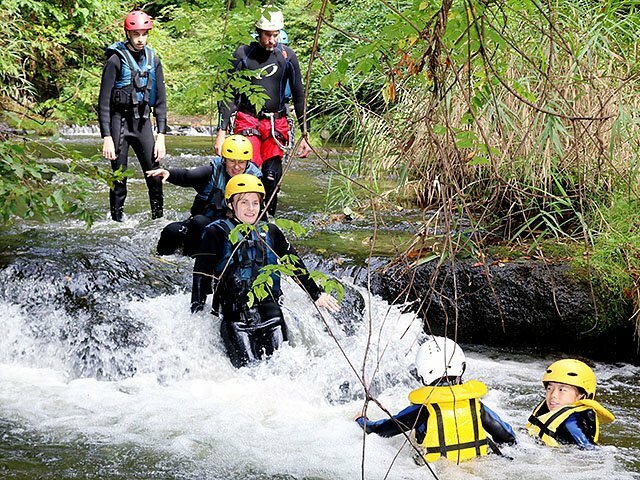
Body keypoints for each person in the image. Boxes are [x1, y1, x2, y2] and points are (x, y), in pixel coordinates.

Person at [191, 174, 339, 367]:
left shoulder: (270, 232)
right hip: (236, 319)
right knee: (248, 373)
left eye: (255, 202)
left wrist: (316, 294)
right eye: (243, 202)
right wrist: (196, 309)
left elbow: (294, 264)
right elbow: (201, 274)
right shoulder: (216, 232)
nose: (251, 209)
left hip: (272, 315)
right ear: (230, 204)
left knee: (282, 370)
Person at [355, 336, 516, 464]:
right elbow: (507, 437)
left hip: (440, 469)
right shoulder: (475, 404)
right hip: (482, 465)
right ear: (461, 368)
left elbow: (381, 430)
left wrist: (362, 421)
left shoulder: (422, 409)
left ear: (423, 372)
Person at [215, 6, 311, 216]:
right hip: (247, 120)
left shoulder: (287, 56)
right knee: (248, 175)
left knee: (271, 177)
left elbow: (299, 94)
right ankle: (238, 219)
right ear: (258, 32)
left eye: (276, 35)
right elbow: (229, 95)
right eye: (268, 35)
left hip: (276, 124)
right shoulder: (243, 55)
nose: (272, 40)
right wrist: (221, 133)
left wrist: (306, 134)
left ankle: (267, 222)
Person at [98, 10, 166, 221]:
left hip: (143, 123)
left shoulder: (153, 59)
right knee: (119, 178)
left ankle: (158, 220)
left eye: (144, 34)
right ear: (128, 33)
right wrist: (107, 137)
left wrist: (161, 135)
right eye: (136, 34)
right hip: (119, 123)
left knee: (154, 174)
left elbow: (161, 101)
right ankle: (117, 221)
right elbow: (104, 103)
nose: (140, 39)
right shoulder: (115, 61)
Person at [146, 135, 262, 256]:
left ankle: (194, 260)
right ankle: (161, 262)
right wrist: (168, 173)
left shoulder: (255, 180)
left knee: (200, 223)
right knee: (172, 231)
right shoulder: (213, 172)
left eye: (241, 162)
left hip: (234, 229)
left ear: (247, 162)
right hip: (205, 222)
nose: (236, 167)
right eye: (232, 161)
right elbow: (188, 176)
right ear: (224, 159)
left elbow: (260, 214)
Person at [526, 358, 615, 449]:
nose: (553, 395)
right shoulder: (545, 410)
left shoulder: (572, 422)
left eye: (562, 390)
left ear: (582, 396)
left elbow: (591, 454)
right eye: (549, 388)